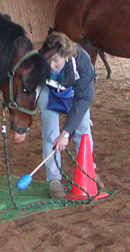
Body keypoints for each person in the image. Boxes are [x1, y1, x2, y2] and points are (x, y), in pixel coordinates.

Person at [38, 32, 101, 198]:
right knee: (50, 132)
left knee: (83, 128)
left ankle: (89, 172)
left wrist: (66, 133)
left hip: (74, 92)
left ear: (66, 56)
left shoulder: (83, 62)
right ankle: (54, 180)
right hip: (48, 90)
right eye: (48, 60)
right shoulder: (38, 61)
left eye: (56, 61)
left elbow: (84, 98)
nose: (51, 65)